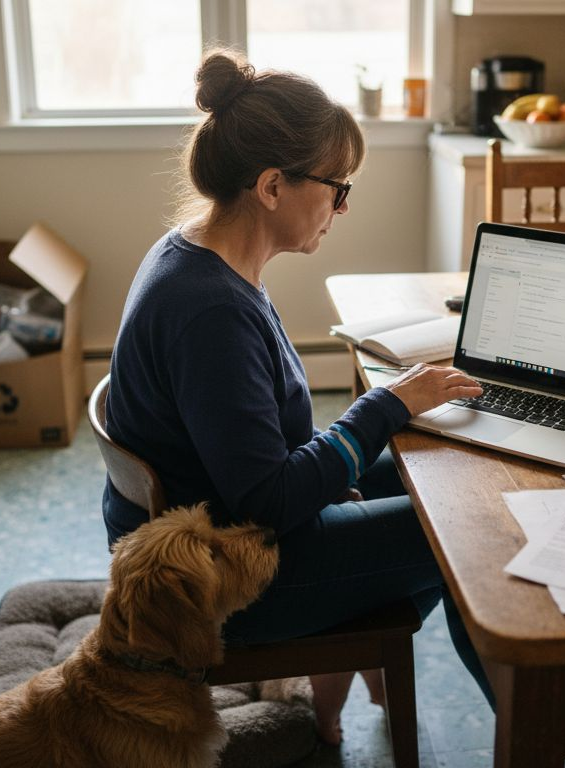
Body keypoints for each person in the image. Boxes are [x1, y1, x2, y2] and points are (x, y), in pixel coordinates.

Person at [101, 49, 495, 744]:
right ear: (272, 186)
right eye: (337, 188)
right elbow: (270, 501)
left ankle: (348, 667)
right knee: (463, 528)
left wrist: (376, 428)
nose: (343, 207)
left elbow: (266, 459)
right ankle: (533, 724)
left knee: (443, 469)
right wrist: (386, 405)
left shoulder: (199, 257)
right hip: (225, 576)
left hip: (221, 524)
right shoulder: (210, 310)